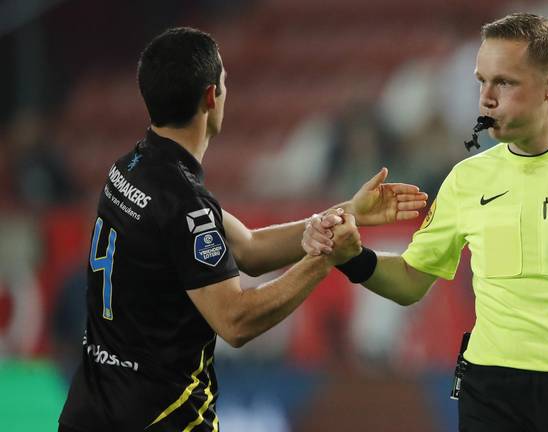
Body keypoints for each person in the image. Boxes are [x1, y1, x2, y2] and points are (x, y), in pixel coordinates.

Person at [304, 13, 548, 431]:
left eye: (504, 82)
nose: (485, 99)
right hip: (492, 394)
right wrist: (352, 257)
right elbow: (409, 280)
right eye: (481, 81)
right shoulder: (466, 179)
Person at [58, 27, 427, 432]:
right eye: (225, 83)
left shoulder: (129, 169)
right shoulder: (184, 203)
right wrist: (325, 259)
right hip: (161, 418)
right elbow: (235, 322)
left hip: (91, 410)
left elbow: (248, 248)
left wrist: (348, 211)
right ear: (211, 97)